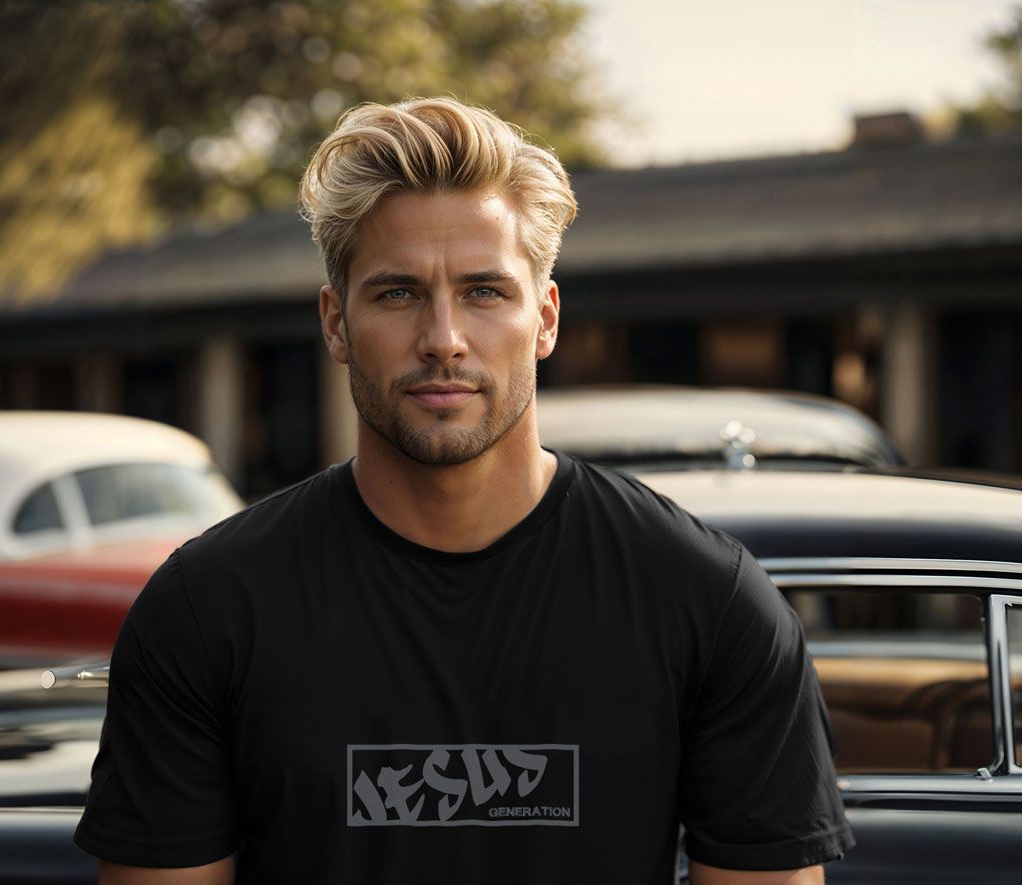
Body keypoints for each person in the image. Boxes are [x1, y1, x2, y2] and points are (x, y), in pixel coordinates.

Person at [74, 97, 855, 884]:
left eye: (485, 291)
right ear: (337, 324)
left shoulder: (707, 601)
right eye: (398, 293)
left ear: (544, 318)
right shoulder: (209, 607)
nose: (443, 338)